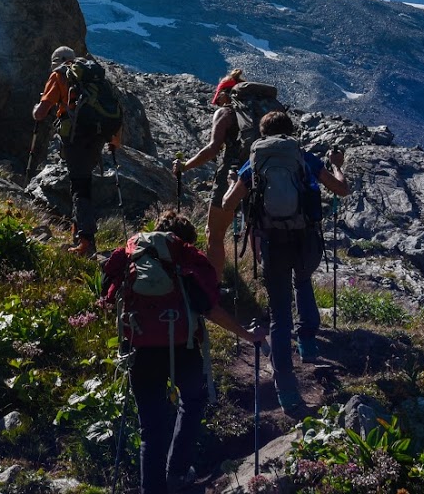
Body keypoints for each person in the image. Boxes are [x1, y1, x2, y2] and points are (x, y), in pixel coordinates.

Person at [101, 211, 263, 494]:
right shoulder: (185, 256)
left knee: (150, 430)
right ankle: (176, 472)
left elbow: (108, 294)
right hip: (182, 347)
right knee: (193, 399)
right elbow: (210, 308)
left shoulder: (133, 251)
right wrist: (248, 335)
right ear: (184, 238)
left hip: (140, 349)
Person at [214, 110, 347, 413]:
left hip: (272, 242)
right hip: (304, 239)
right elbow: (341, 188)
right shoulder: (303, 156)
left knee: (278, 314)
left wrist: (235, 179)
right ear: (290, 132)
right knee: (302, 279)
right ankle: (309, 343)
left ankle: (286, 389)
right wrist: (337, 167)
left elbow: (227, 203)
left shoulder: (255, 161)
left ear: (262, 134)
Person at [32, 46, 122, 256]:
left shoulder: (59, 76)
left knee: (80, 187)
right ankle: (78, 232)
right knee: (83, 181)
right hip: (98, 136)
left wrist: (36, 109)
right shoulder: (94, 78)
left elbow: (41, 113)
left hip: (76, 137)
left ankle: (86, 241)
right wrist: (115, 140)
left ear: (56, 62)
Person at [173, 68, 244, 272]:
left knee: (214, 235)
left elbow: (213, 149)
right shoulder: (256, 113)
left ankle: (212, 290)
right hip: (260, 175)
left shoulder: (226, 112)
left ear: (224, 94)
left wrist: (185, 166)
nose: (218, 104)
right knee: (258, 235)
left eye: (218, 99)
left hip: (231, 177)